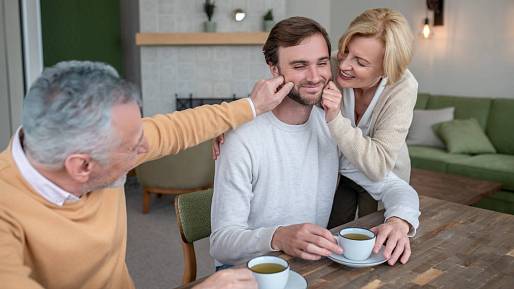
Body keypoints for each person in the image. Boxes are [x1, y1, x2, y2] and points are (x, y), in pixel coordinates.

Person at [0, 61, 294, 289]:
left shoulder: (100, 142)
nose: (146, 148)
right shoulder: (7, 212)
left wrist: (251, 106)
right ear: (82, 166)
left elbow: (180, 127)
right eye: (133, 147)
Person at [209, 17, 419, 268]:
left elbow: (395, 187)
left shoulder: (331, 128)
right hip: (246, 272)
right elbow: (221, 243)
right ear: (274, 69)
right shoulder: (241, 138)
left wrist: (399, 222)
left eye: (321, 63)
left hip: (308, 266)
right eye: (299, 65)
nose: (314, 76)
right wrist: (277, 236)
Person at [323, 8, 419, 226]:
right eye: (345, 50)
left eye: (360, 62)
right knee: (332, 230)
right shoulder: (332, 65)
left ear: (386, 69)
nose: (344, 65)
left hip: (381, 178)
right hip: (339, 170)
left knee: (371, 233)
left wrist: (335, 119)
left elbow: (378, 166)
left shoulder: (402, 87)